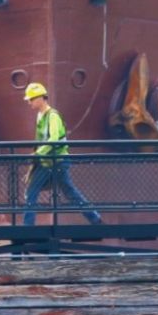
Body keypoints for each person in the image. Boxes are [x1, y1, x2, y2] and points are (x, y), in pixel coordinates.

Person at [20, 82, 103, 226]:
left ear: (40, 98)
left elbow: (53, 140)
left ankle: (27, 228)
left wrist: (38, 154)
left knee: (31, 192)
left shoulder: (52, 116)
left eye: (31, 99)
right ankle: (95, 219)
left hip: (52, 161)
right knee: (70, 192)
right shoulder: (41, 116)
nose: (29, 102)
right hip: (53, 161)